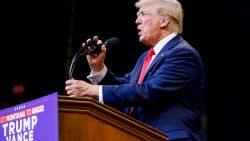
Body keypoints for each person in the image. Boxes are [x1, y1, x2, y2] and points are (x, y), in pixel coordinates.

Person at [65, 0, 206, 140]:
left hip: (169, 137)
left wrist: (92, 91)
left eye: (143, 14)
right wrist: (98, 68)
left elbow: (149, 91)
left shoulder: (182, 54)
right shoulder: (146, 56)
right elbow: (127, 88)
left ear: (164, 21)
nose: (137, 21)